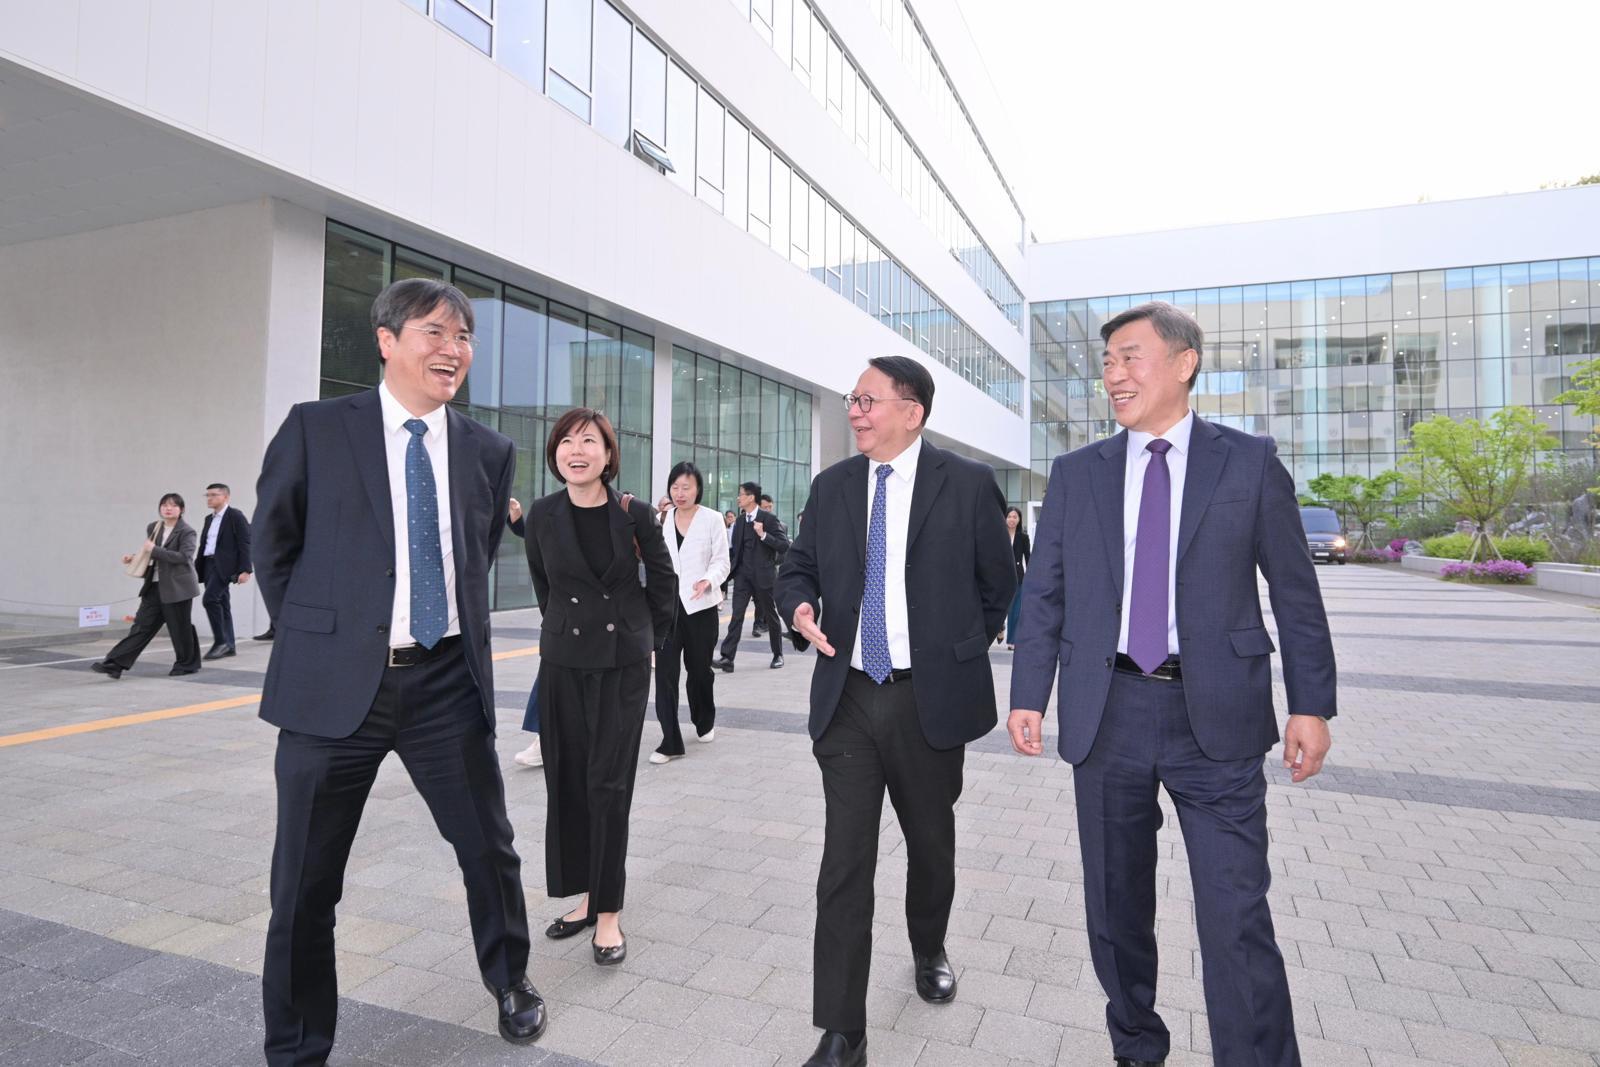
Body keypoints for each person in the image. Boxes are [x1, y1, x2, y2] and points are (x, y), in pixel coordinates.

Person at [1007, 301, 1336, 1067]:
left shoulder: (1247, 462)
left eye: (1129, 357)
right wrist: (1029, 693)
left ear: (1185, 362)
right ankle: (1137, 1047)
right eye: (1108, 362)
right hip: (1107, 710)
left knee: (1235, 915)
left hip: (1216, 718)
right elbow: (1046, 592)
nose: (1112, 375)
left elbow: (1295, 593)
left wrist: (1311, 704)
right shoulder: (1078, 472)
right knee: (1116, 913)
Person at [254, 278, 546, 1062]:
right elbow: (274, 545)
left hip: (444, 684)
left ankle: (510, 978)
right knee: (305, 885)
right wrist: (327, 639)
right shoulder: (317, 429)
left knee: (488, 847)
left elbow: (470, 558)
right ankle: (297, 1045)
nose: (452, 349)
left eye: (464, 337)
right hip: (332, 693)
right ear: (386, 339)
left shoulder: (489, 449)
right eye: (434, 332)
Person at [778, 356, 1015, 1067]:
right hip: (847, 693)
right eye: (852, 398)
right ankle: (843, 1029)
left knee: (930, 842)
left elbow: (998, 585)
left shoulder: (967, 484)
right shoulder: (832, 487)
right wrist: (798, 604)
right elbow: (799, 566)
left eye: (867, 399)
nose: (854, 410)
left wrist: (953, 647)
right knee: (844, 862)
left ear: (912, 411)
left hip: (928, 697)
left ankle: (928, 942)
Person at [523, 408, 675, 967]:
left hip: (620, 663)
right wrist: (561, 629)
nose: (577, 450)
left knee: (608, 785)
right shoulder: (541, 514)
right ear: (555, 453)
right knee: (567, 781)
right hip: (563, 661)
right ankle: (584, 896)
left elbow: (663, 581)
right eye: (567, 441)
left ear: (609, 456)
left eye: (590, 441)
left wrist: (649, 640)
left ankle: (608, 911)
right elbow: (545, 585)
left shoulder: (633, 515)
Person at [651, 461, 731, 765]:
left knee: (699, 672)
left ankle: (703, 718)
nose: (680, 493)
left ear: (698, 488)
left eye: (686, 487)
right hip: (667, 610)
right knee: (665, 676)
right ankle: (670, 740)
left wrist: (708, 580)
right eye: (675, 487)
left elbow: (722, 561)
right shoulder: (660, 519)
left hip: (701, 607)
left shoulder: (712, 520)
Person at [92, 493, 202, 678]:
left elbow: (184, 557)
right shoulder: (154, 527)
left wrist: (154, 550)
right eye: (164, 505)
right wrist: (134, 558)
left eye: (173, 505)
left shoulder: (187, 531)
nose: (168, 508)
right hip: (154, 586)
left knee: (179, 628)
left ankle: (187, 664)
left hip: (178, 588)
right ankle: (115, 663)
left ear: (181, 510)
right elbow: (151, 556)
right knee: (141, 626)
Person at [713, 481, 790, 671]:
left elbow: (783, 545)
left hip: (764, 576)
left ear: (751, 497)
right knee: (736, 615)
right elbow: (735, 551)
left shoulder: (769, 519)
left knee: (770, 616)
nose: (738, 498)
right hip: (743, 577)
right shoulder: (739, 522)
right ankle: (727, 658)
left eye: (741, 494)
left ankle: (778, 654)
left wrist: (763, 535)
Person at [505, 497, 542, 769]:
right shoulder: (555, 510)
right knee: (551, 681)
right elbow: (537, 534)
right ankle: (543, 742)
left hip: (606, 621)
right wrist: (517, 517)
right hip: (564, 619)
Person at [197, 482, 252, 660]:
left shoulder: (235, 516)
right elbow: (205, 544)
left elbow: (245, 543)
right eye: (208, 495)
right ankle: (229, 646)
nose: (209, 498)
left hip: (224, 567)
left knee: (210, 600)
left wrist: (246, 570)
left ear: (225, 497)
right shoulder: (209, 519)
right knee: (223, 604)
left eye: (214, 495)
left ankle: (220, 642)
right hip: (208, 564)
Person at [1003, 506, 1030, 650]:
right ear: (1005, 518)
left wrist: (1031, 576)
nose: (1012, 519)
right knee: (1002, 608)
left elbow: (1028, 557)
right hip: (1000, 577)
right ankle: (1000, 627)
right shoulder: (999, 535)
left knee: (1015, 610)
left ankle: (1012, 641)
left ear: (1019, 520)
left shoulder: (1023, 537)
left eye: (1015, 517)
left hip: (1018, 577)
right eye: (1009, 516)